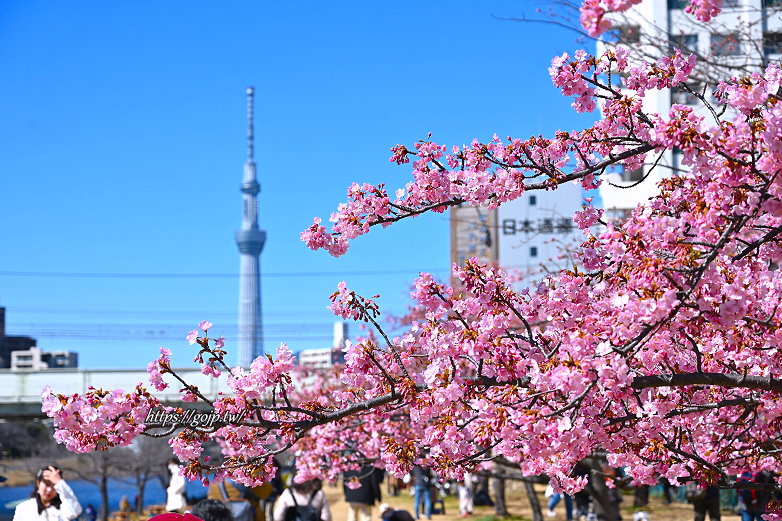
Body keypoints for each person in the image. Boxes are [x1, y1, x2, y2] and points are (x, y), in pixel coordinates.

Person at [13, 465, 83, 521]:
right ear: (38, 483)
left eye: (54, 485)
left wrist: (60, 483)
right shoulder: (24, 508)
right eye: (47, 483)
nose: (49, 489)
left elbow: (75, 512)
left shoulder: (63, 507)